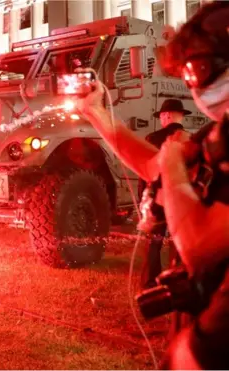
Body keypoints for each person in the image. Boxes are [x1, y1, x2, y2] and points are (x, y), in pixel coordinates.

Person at [77, 2, 229, 368]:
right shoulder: (218, 133)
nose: (194, 89)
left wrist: (173, 163)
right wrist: (97, 115)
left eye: (196, 72)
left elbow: (201, 244)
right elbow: (153, 166)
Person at [138, 99, 190, 289]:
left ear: (166, 115)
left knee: (154, 242)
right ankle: (177, 281)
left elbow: (144, 174)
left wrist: (142, 201)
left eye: (161, 116)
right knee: (179, 244)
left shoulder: (152, 139)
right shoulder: (190, 140)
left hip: (158, 200)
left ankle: (150, 282)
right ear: (181, 116)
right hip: (181, 201)